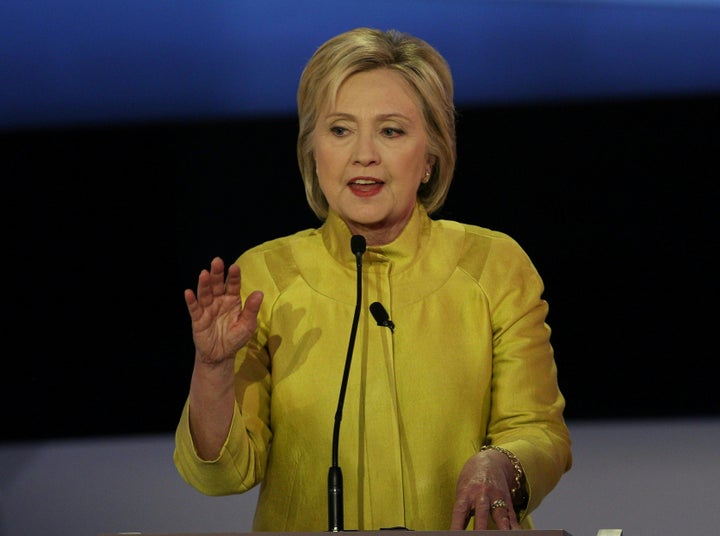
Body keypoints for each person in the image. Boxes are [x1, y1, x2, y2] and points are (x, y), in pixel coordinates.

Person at [174, 27, 572, 532]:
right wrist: (212, 368)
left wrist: (503, 465)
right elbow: (222, 477)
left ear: (430, 156)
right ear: (313, 152)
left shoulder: (493, 265)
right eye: (340, 130)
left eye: (391, 131)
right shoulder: (263, 278)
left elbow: (538, 431)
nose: (364, 154)